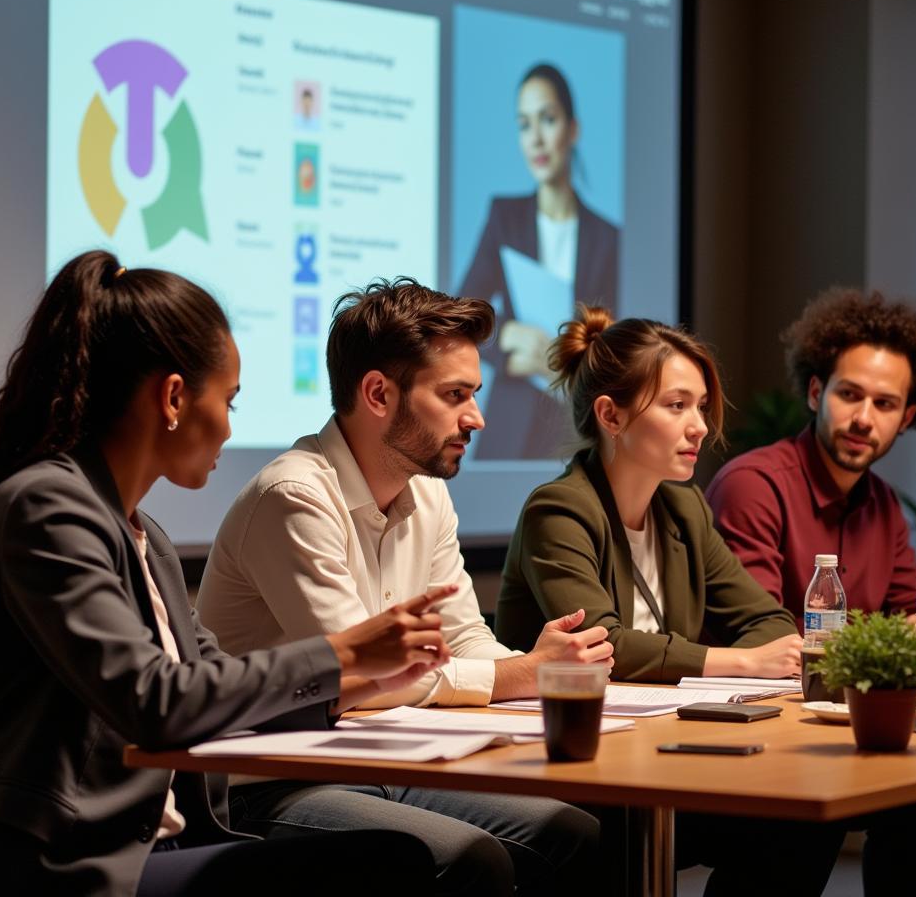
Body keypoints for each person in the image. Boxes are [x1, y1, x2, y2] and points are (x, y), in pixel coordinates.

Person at [0, 251, 446, 896]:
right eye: (230, 401)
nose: (232, 427)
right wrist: (344, 651)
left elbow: (206, 685)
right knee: (396, 863)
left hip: (156, 845)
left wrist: (353, 680)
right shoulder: (44, 509)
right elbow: (155, 701)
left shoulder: (144, 536)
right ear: (174, 398)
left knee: (406, 857)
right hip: (60, 866)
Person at [195, 277, 612, 896]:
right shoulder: (296, 496)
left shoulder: (427, 492)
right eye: (455, 395)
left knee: (574, 832)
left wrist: (539, 665)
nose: (477, 416)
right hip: (273, 779)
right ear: (378, 394)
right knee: (469, 859)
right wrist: (520, 675)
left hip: (387, 759)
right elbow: (357, 678)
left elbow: (464, 634)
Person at [493, 307, 849, 895]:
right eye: (677, 405)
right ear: (611, 415)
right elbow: (597, 648)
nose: (700, 426)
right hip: (574, 768)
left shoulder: (684, 508)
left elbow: (764, 618)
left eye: (702, 407)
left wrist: (763, 650)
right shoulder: (558, 509)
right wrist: (741, 662)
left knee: (805, 816)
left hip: (659, 752)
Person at [705, 287, 916, 652]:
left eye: (884, 404)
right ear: (816, 393)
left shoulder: (884, 505)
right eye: (849, 395)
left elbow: (911, 614)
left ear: (906, 417)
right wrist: (896, 639)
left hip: (849, 702)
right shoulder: (753, 486)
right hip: (756, 702)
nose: (864, 419)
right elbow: (762, 632)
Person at [459, 63, 619, 460]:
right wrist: (505, 335)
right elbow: (459, 312)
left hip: (576, 424)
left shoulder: (608, 237)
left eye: (548, 119)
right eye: (524, 124)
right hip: (510, 422)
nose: (537, 139)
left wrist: (562, 369)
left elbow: (619, 346)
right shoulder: (504, 216)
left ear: (573, 128)